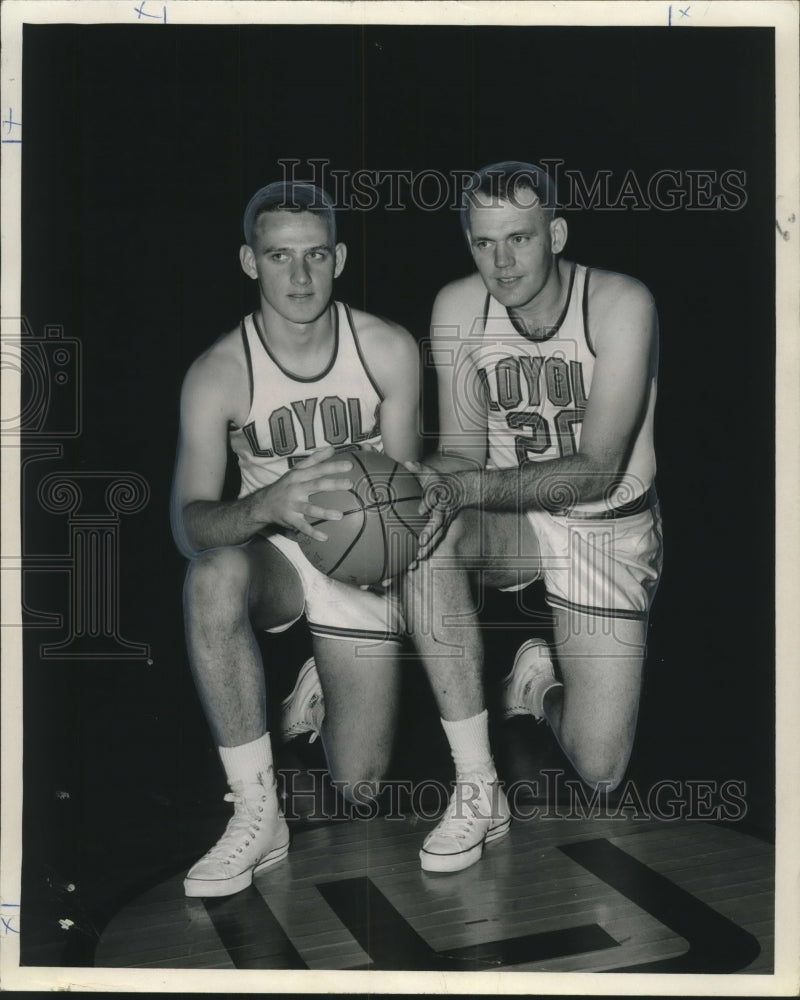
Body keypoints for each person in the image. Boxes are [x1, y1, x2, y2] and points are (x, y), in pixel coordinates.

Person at [403, 161, 662, 873]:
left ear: (556, 232)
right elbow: (459, 454)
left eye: (518, 239)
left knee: (600, 768)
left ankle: (536, 684)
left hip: (607, 527)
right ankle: (477, 783)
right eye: (483, 243)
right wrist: (412, 486)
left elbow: (597, 468)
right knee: (423, 532)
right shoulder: (458, 307)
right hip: (514, 518)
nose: (502, 261)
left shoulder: (620, 303)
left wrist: (465, 488)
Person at [171, 181, 421, 897]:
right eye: (280, 257)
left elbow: (411, 493)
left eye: (315, 256)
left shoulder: (386, 348)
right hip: (279, 549)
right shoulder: (217, 373)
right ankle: (256, 809)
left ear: (339, 257)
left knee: (362, 786)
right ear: (250, 262)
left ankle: (322, 680)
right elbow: (188, 524)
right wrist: (264, 505)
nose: (301, 276)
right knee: (213, 576)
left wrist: (389, 556)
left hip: (363, 557)